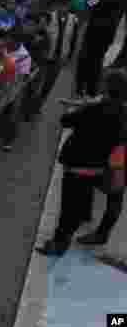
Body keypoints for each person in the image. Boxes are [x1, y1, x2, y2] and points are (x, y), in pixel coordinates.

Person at [36, 69, 127, 255]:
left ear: (107, 87)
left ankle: (59, 244)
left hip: (78, 164)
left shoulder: (94, 109)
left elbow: (66, 120)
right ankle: (83, 220)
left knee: (68, 209)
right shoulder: (122, 113)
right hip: (98, 167)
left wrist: (80, 107)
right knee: (81, 200)